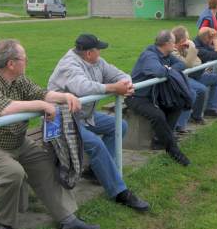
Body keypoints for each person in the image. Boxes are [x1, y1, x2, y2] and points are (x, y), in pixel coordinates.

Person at [0, 39, 100, 229]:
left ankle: (67, 218)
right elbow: (4, 108)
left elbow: (40, 92)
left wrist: (64, 97)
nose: (27, 61)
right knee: (12, 172)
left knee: (45, 163)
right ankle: (1, 226)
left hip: (15, 142)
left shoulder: (17, 79)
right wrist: (41, 105)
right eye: (24, 58)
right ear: (11, 63)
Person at [47, 34, 149, 212]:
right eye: (98, 49)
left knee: (120, 126)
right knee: (96, 143)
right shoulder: (69, 65)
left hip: (83, 115)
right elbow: (82, 87)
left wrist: (127, 84)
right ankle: (119, 192)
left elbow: (119, 74)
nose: (100, 52)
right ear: (88, 53)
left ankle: (96, 171)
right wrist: (113, 88)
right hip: (62, 119)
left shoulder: (98, 62)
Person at [126, 31, 191, 166]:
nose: (175, 45)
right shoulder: (149, 55)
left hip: (154, 95)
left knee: (177, 104)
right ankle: (173, 150)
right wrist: (167, 69)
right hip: (137, 96)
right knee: (158, 115)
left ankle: (161, 140)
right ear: (167, 44)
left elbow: (182, 64)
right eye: (173, 42)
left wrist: (168, 68)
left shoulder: (166, 54)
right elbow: (159, 72)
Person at [171, 26, 217, 133]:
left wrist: (190, 49)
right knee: (200, 90)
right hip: (185, 78)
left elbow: (199, 61)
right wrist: (191, 47)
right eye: (187, 38)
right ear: (182, 40)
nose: (189, 40)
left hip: (195, 76)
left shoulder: (187, 48)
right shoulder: (175, 51)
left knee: (216, 79)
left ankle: (210, 109)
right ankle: (182, 124)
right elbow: (188, 65)